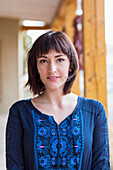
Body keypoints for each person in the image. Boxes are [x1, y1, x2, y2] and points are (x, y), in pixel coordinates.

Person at [6, 31, 110, 170]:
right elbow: (15, 166)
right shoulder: (19, 112)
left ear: (71, 65)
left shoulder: (94, 111)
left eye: (59, 60)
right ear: (35, 68)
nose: (52, 69)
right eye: (43, 61)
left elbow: (101, 165)